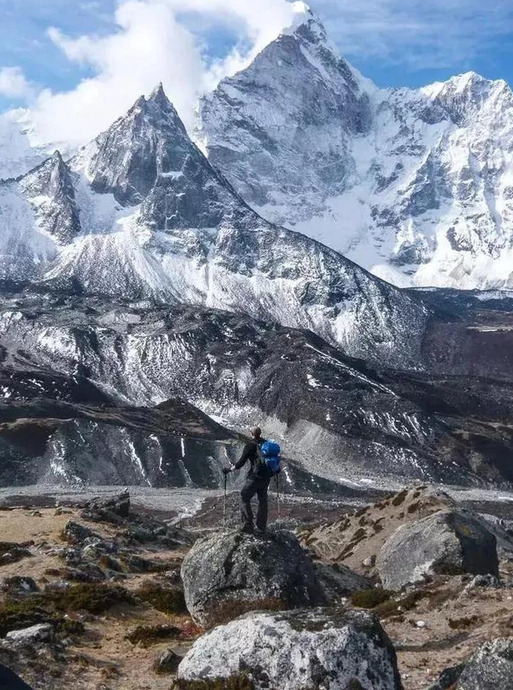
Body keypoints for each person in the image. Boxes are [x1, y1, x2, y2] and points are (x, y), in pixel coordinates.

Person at [223, 427, 273, 535]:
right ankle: (261, 526)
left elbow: (241, 463)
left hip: (255, 477)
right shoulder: (267, 444)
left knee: (244, 496)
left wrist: (229, 470)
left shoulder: (250, 445)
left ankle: (248, 525)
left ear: (251, 433)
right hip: (266, 478)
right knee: (263, 500)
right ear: (260, 433)